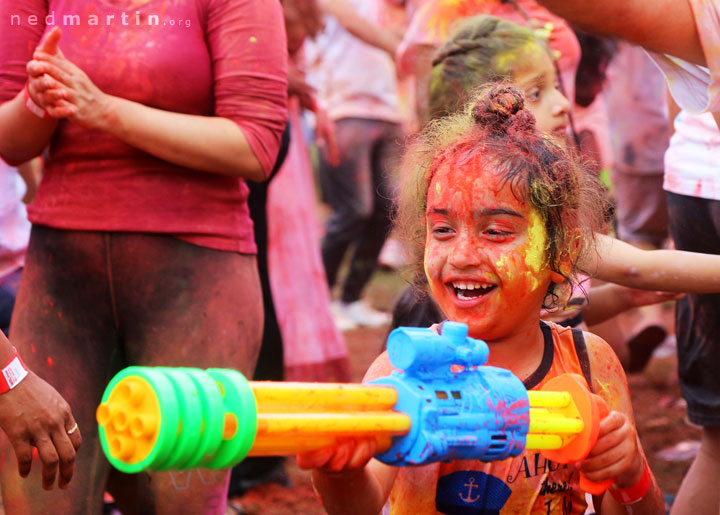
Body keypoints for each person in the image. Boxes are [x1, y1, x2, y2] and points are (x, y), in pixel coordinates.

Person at [298, 85, 665, 514]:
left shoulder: (590, 365)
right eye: (443, 230)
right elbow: (358, 507)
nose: (462, 256)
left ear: (561, 252)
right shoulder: (402, 374)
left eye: (496, 232)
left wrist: (629, 473)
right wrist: (339, 474)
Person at [0, 1, 287, 512]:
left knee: (179, 501)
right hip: (62, 275)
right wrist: (37, 101)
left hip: (196, 277)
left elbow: (256, 145)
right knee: (39, 492)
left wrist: (105, 111)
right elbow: (11, 141)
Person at [305, 0, 403, 329]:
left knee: (387, 209)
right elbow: (347, 20)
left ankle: (351, 298)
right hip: (342, 106)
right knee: (352, 211)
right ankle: (318, 302)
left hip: (387, 109)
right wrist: (396, 45)